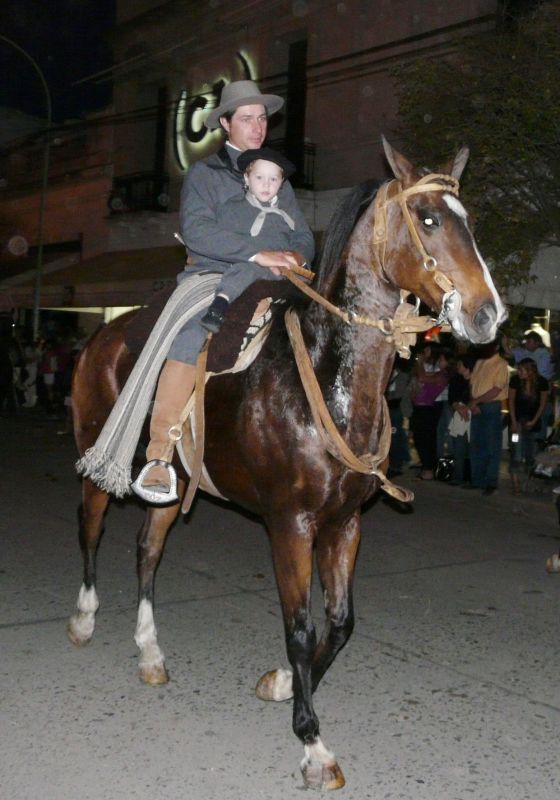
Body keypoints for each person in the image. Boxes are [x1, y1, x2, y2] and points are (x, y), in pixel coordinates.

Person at [137, 80, 315, 499]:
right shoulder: (205, 173)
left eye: (263, 119)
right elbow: (197, 231)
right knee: (191, 335)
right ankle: (159, 454)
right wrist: (259, 254)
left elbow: (304, 236)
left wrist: (298, 259)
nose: (257, 126)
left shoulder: (279, 177)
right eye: (247, 118)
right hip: (214, 275)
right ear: (225, 123)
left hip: (279, 277)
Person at [466, 339, 509, 495]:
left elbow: (496, 389)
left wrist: (475, 401)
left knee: (492, 446)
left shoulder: (501, 364)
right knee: (477, 445)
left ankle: (491, 482)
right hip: (478, 406)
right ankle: (477, 480)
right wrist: (473, 402)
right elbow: (472, 385)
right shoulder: (480, 362)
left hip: (491, 407)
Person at [508, 357, 549, 493]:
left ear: (530, 370)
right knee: (516, 451)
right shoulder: (515, 380)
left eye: (521, 370)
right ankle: (515, 482)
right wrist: (513, 422)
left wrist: (534, 420)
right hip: (517, 421)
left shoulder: (542, 382)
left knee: (532, 453)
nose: (519, 372)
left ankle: (528, 481)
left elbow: (543, 404)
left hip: (533, 421)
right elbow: (511, 402)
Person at [410, 342, 449, 481]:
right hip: (422, 408)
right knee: (420, 437)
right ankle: (426, 467)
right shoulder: (436, 372)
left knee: (426, 438)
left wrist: (420, 363)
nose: (440, 361)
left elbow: (422, 377)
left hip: (428, 409)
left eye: (443, 360)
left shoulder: (442, 375)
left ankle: (428, 469)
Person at [447, 353, 476, 486]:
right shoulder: (456, 379)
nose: (457, 366)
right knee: (458, 447)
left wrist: (467, 408)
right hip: (460, 415)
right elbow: (451, 398)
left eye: (459, 364)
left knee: (471, 449)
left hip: (473, 415)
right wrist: (459, 407)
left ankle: (470, 478)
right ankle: (457, 476)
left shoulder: (477, 379)